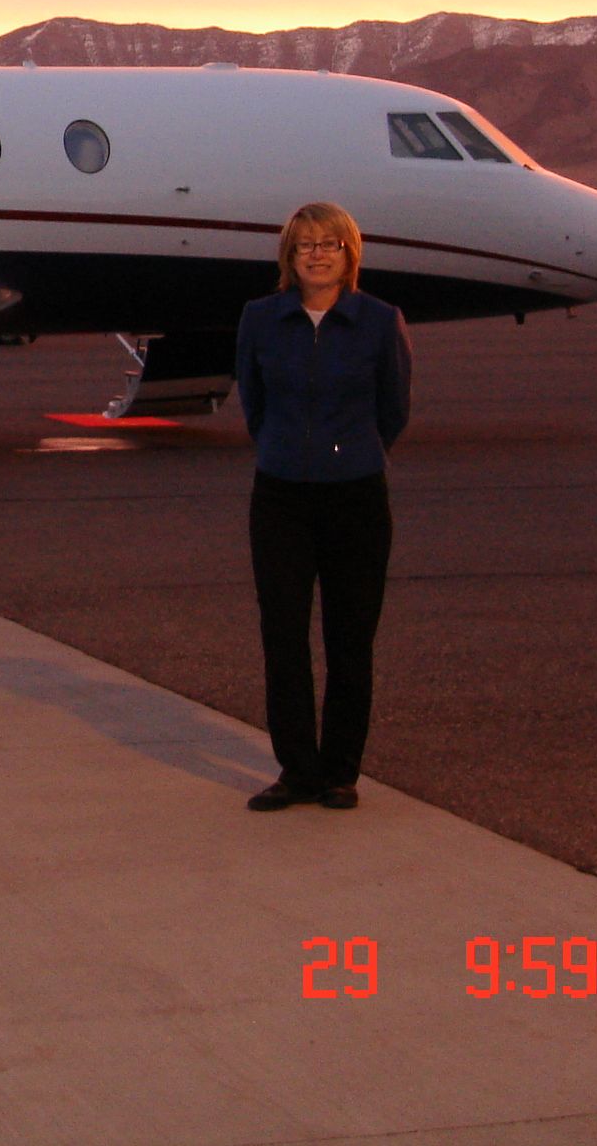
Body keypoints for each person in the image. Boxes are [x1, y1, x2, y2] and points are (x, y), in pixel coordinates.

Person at [232, 201, 412, 812]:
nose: (316, 253)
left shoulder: (379, 322)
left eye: (329, 244)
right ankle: (296, 770)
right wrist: (290, 451)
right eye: (304, 244)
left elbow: (394, 410)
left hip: (356, 498)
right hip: (280, 497)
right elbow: (253, 404)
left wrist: (349, 455)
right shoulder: (260, 319)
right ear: (289, 256)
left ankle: (339, 772)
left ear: (348, 255)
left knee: (349, 638)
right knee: (283, 636)